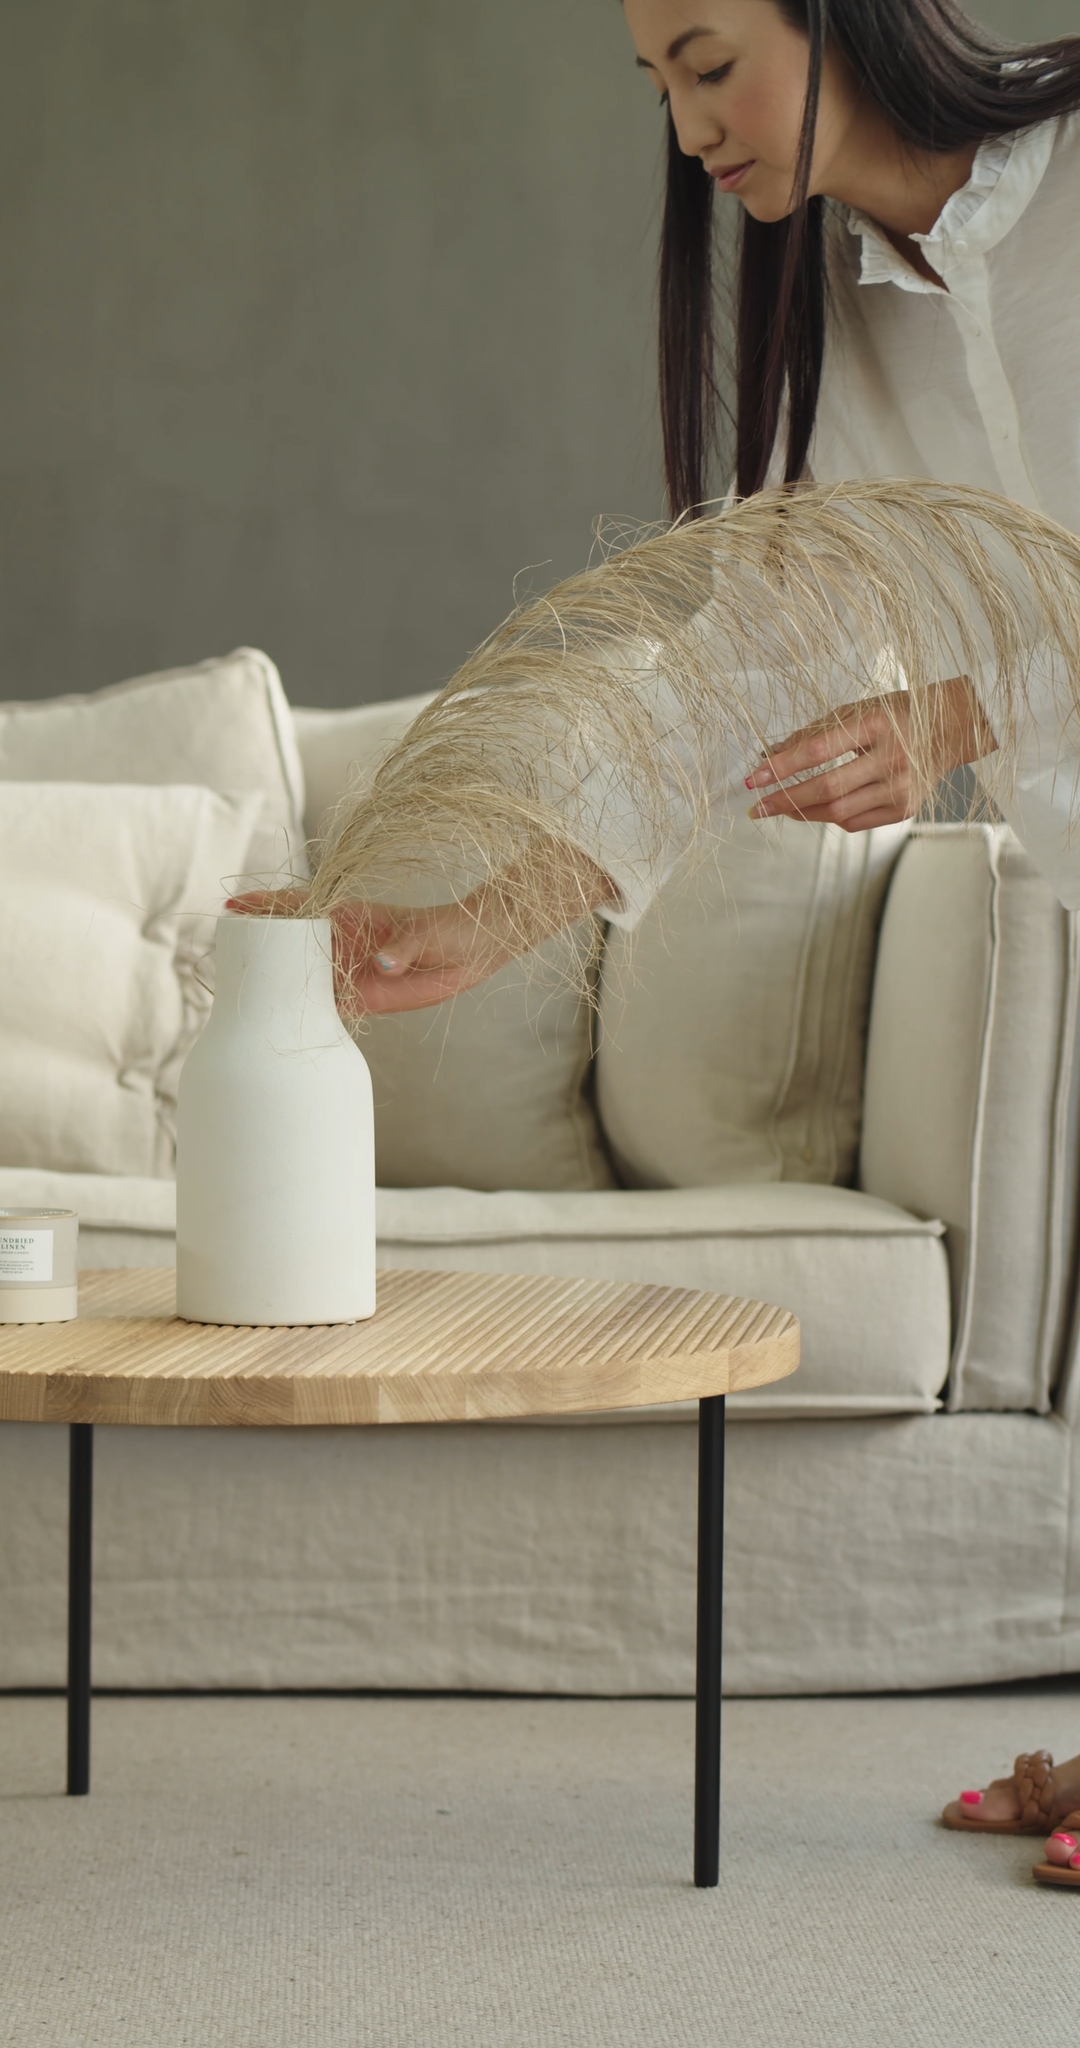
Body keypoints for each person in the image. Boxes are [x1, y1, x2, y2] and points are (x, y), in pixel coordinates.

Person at [232, 1, 1080, 1868]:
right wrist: (488, 924)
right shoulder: (841, 321)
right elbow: (723, 683)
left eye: (709, 59)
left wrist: (951, 718)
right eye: (658, 87)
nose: (689, 125)